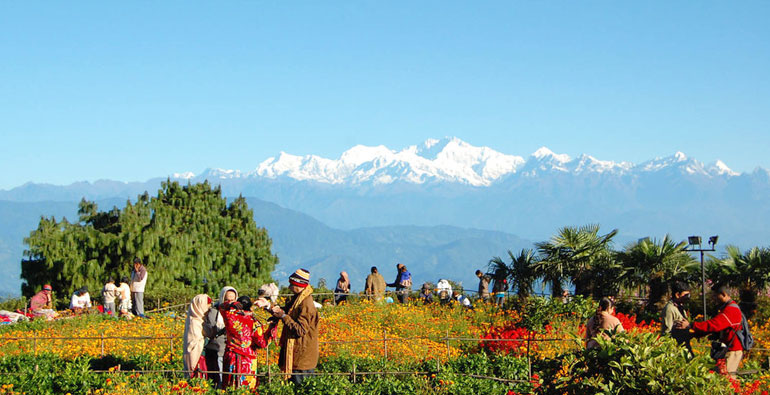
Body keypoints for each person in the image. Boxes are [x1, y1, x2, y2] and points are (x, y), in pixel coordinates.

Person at [675, 284, 744, 376]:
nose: (714, 299)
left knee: (727, 379)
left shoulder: (731, 310)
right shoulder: (727, 308)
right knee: (721, 376)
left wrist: (691, 325)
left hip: (732, 350)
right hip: (727, 349)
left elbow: (714, 325)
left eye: (715, 296)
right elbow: (715, 328)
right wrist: (695, 334)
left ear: (723, 294)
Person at [271, 268, 319, 386]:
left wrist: (283, 316)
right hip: (298, 355)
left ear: (299, 285)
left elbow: (300, 330)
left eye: (291, 284)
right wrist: (271, 308)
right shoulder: (297, 299)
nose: (289, 287)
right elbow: (286, 311)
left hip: (302, 357)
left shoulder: (305, 304)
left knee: (301, 387)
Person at [221, 295, 277, 389]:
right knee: (246, 389)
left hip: (231, 357)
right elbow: (262, 343)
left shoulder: (229, 316)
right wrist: (272, 327)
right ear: (250, 307)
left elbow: (221, 306)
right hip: (247, 361)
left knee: (229, 387)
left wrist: (231, 304)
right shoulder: (254, 323)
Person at [203, 286, 237, 388]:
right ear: (222, 298)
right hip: (218, 350)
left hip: (234, 351)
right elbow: (212, 331)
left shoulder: (238, 312)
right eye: (227, 300)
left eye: (232, 300)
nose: (230, 302)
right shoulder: (214, 312)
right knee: (220, 379)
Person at [183, 294, 213, 377]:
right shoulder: (194, 322)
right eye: (207, 306)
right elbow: (194, 342)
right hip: (197, 356)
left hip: (202, 354)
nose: (208, 308)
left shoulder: (200, 319)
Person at [661, 281, 693, 355]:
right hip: (676, 347)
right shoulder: (669, 308)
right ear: (677, 295)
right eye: (685, 295)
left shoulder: (680, 307)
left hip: (684, 344)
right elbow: (667, 331)